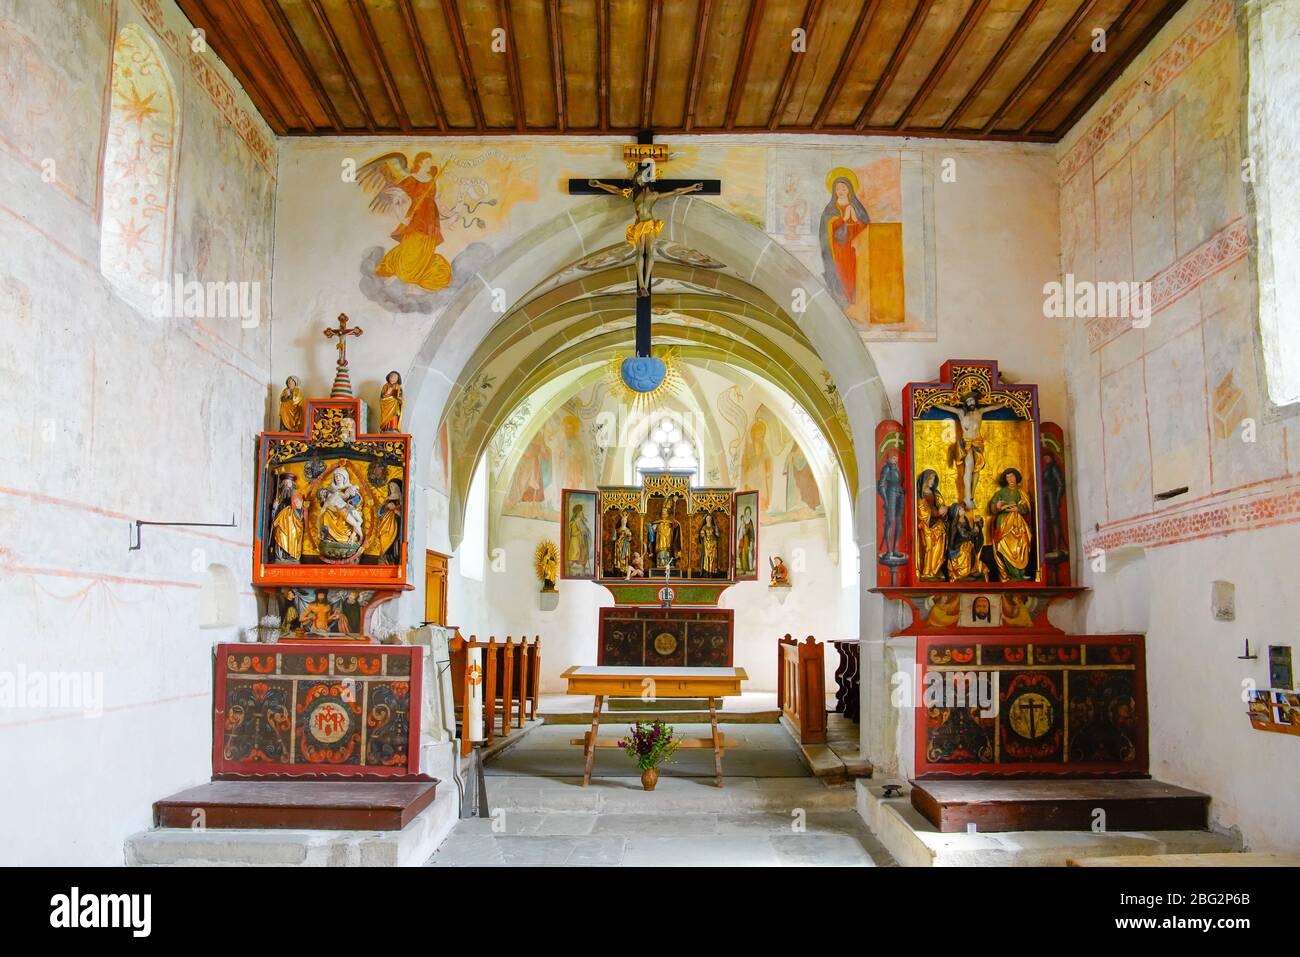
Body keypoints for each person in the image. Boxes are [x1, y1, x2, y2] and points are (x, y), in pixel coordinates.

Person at [990, 467, 1033, 580]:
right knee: (1006, 548)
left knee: (1022, 545)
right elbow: (993, 507)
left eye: (1012, 476)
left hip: (1018, 524)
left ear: (1016, 477)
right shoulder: (1001, 493)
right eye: (1007, 477)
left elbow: (1027, 507)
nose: (1010, 479)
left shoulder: (1021, 492)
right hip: (1004, 523)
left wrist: (1018, 508)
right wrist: (997, 506)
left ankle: (1021, 573)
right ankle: (1012, 574)